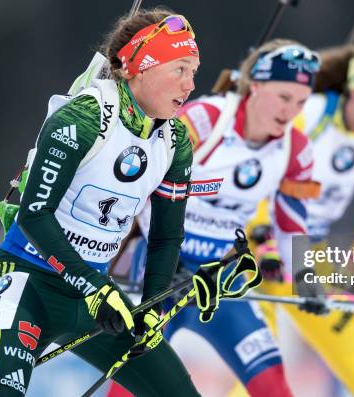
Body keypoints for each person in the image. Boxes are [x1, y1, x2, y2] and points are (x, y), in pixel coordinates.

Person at [0, 8, 204, 396]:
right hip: (29, 284)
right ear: (139, 68)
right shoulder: (83, 118)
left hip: (94, 294)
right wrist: (94, 286)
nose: (191, 84)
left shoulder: (175, 141)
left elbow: (166, 236)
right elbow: (34, 215)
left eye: (193, 71)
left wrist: (152, 309)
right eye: (179, 69)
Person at [108, 39, 321, 397]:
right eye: (284, 98)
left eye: (300, 103)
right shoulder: (205, 120)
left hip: (221, 281)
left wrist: (305, 278)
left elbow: (292, 225)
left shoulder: (295, 150)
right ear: (255, 86)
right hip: (163, 274)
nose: (291, 112)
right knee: (130, 388)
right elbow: (143, 184)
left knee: (275, 388)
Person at [234, 41, 354, 397]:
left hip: (310, 253)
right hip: (255, 250)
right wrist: (264, 235)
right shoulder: (309, 115)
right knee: (258, 376)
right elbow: (256, 168)